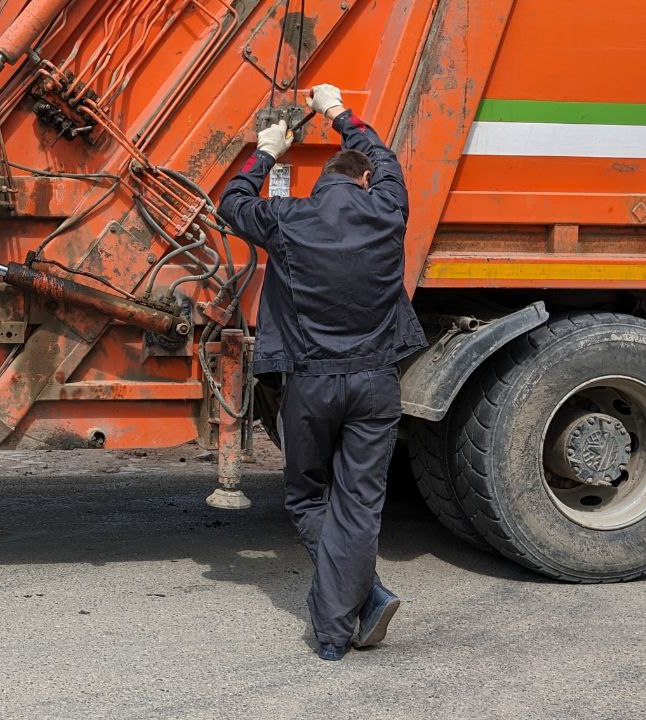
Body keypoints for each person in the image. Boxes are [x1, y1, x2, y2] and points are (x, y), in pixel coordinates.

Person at [216, 83, 428, 661]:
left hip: (311, 385)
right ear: (363, 182)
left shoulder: (290, 220)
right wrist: (339, 112)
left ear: (322, 183)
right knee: (359, 505)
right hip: (377, 384)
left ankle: (342, 624)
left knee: (307, 500)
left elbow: (231, 204)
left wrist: (266, 152)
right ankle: (359, 602)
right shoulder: (387, 209)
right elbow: (384, 157)